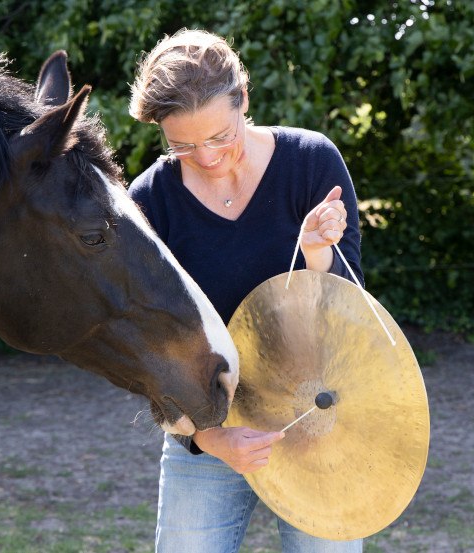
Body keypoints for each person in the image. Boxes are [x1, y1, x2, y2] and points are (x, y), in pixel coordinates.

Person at [127, 29, 364, 553]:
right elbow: (145, 348)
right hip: (207, 429)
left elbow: (352, 317)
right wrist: (209, 438)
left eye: (219, 136)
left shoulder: (310, 162)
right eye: (182, 146)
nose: (207, 157)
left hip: (320, 418)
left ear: (244, 100)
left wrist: (317, 252)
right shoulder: (148, 201)